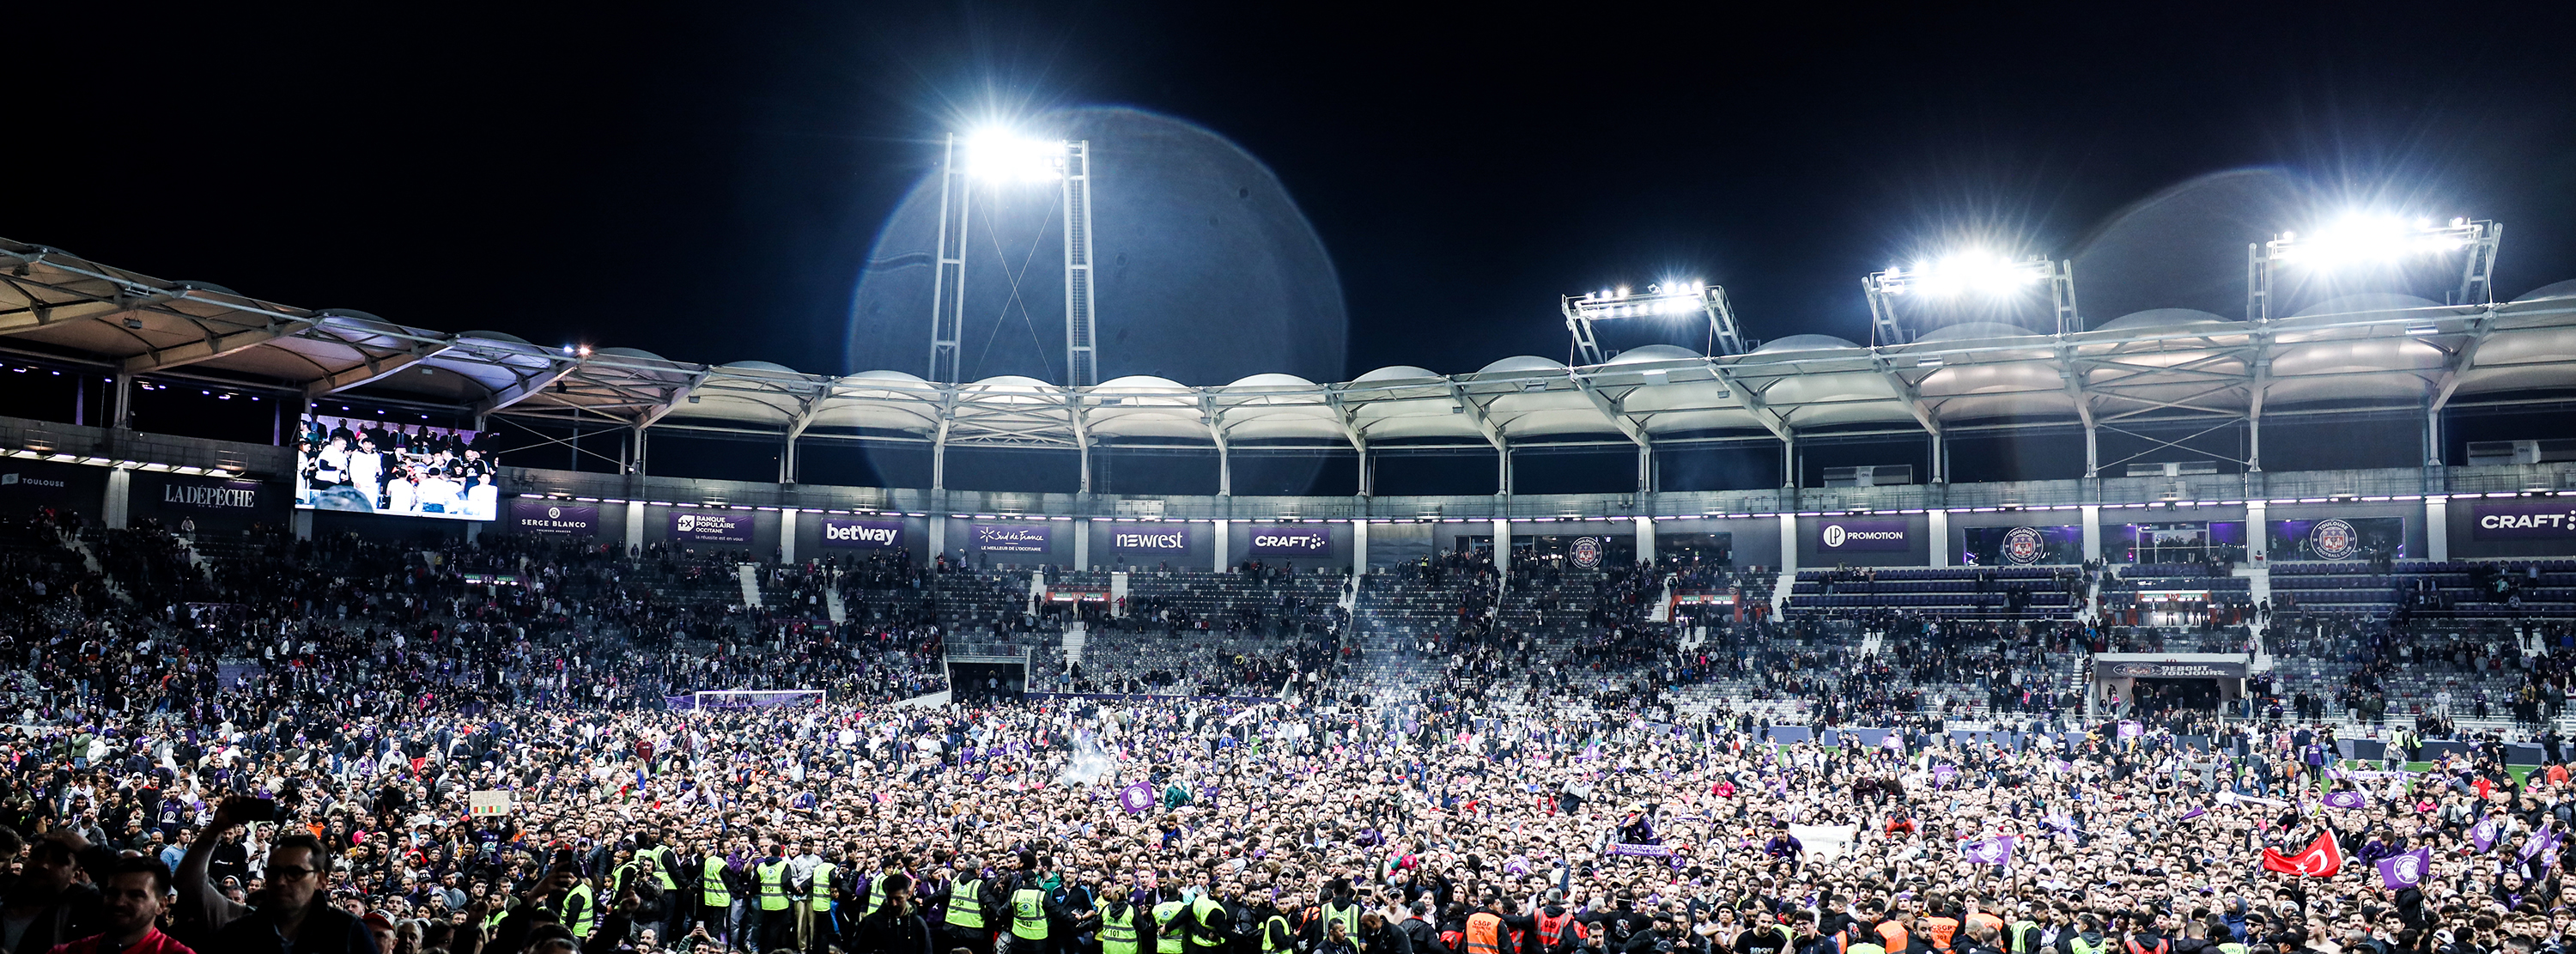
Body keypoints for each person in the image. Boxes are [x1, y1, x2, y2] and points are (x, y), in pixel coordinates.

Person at [203, 833, 374, 954]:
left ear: (320, 880)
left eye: (294, 873)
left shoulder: (349, 932)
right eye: (274, 872)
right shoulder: (238, 933)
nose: (281, 881)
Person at [42, 857, 192, 954]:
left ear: (161, 905)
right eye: (113, 893)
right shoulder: (68, 952)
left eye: (135, 895)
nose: (119, 902)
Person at [852, 873, 934, 954]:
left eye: (898, 899)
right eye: (890, 898)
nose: (894, 903)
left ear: (908, 895)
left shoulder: (918, 924)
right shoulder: (871, 923)